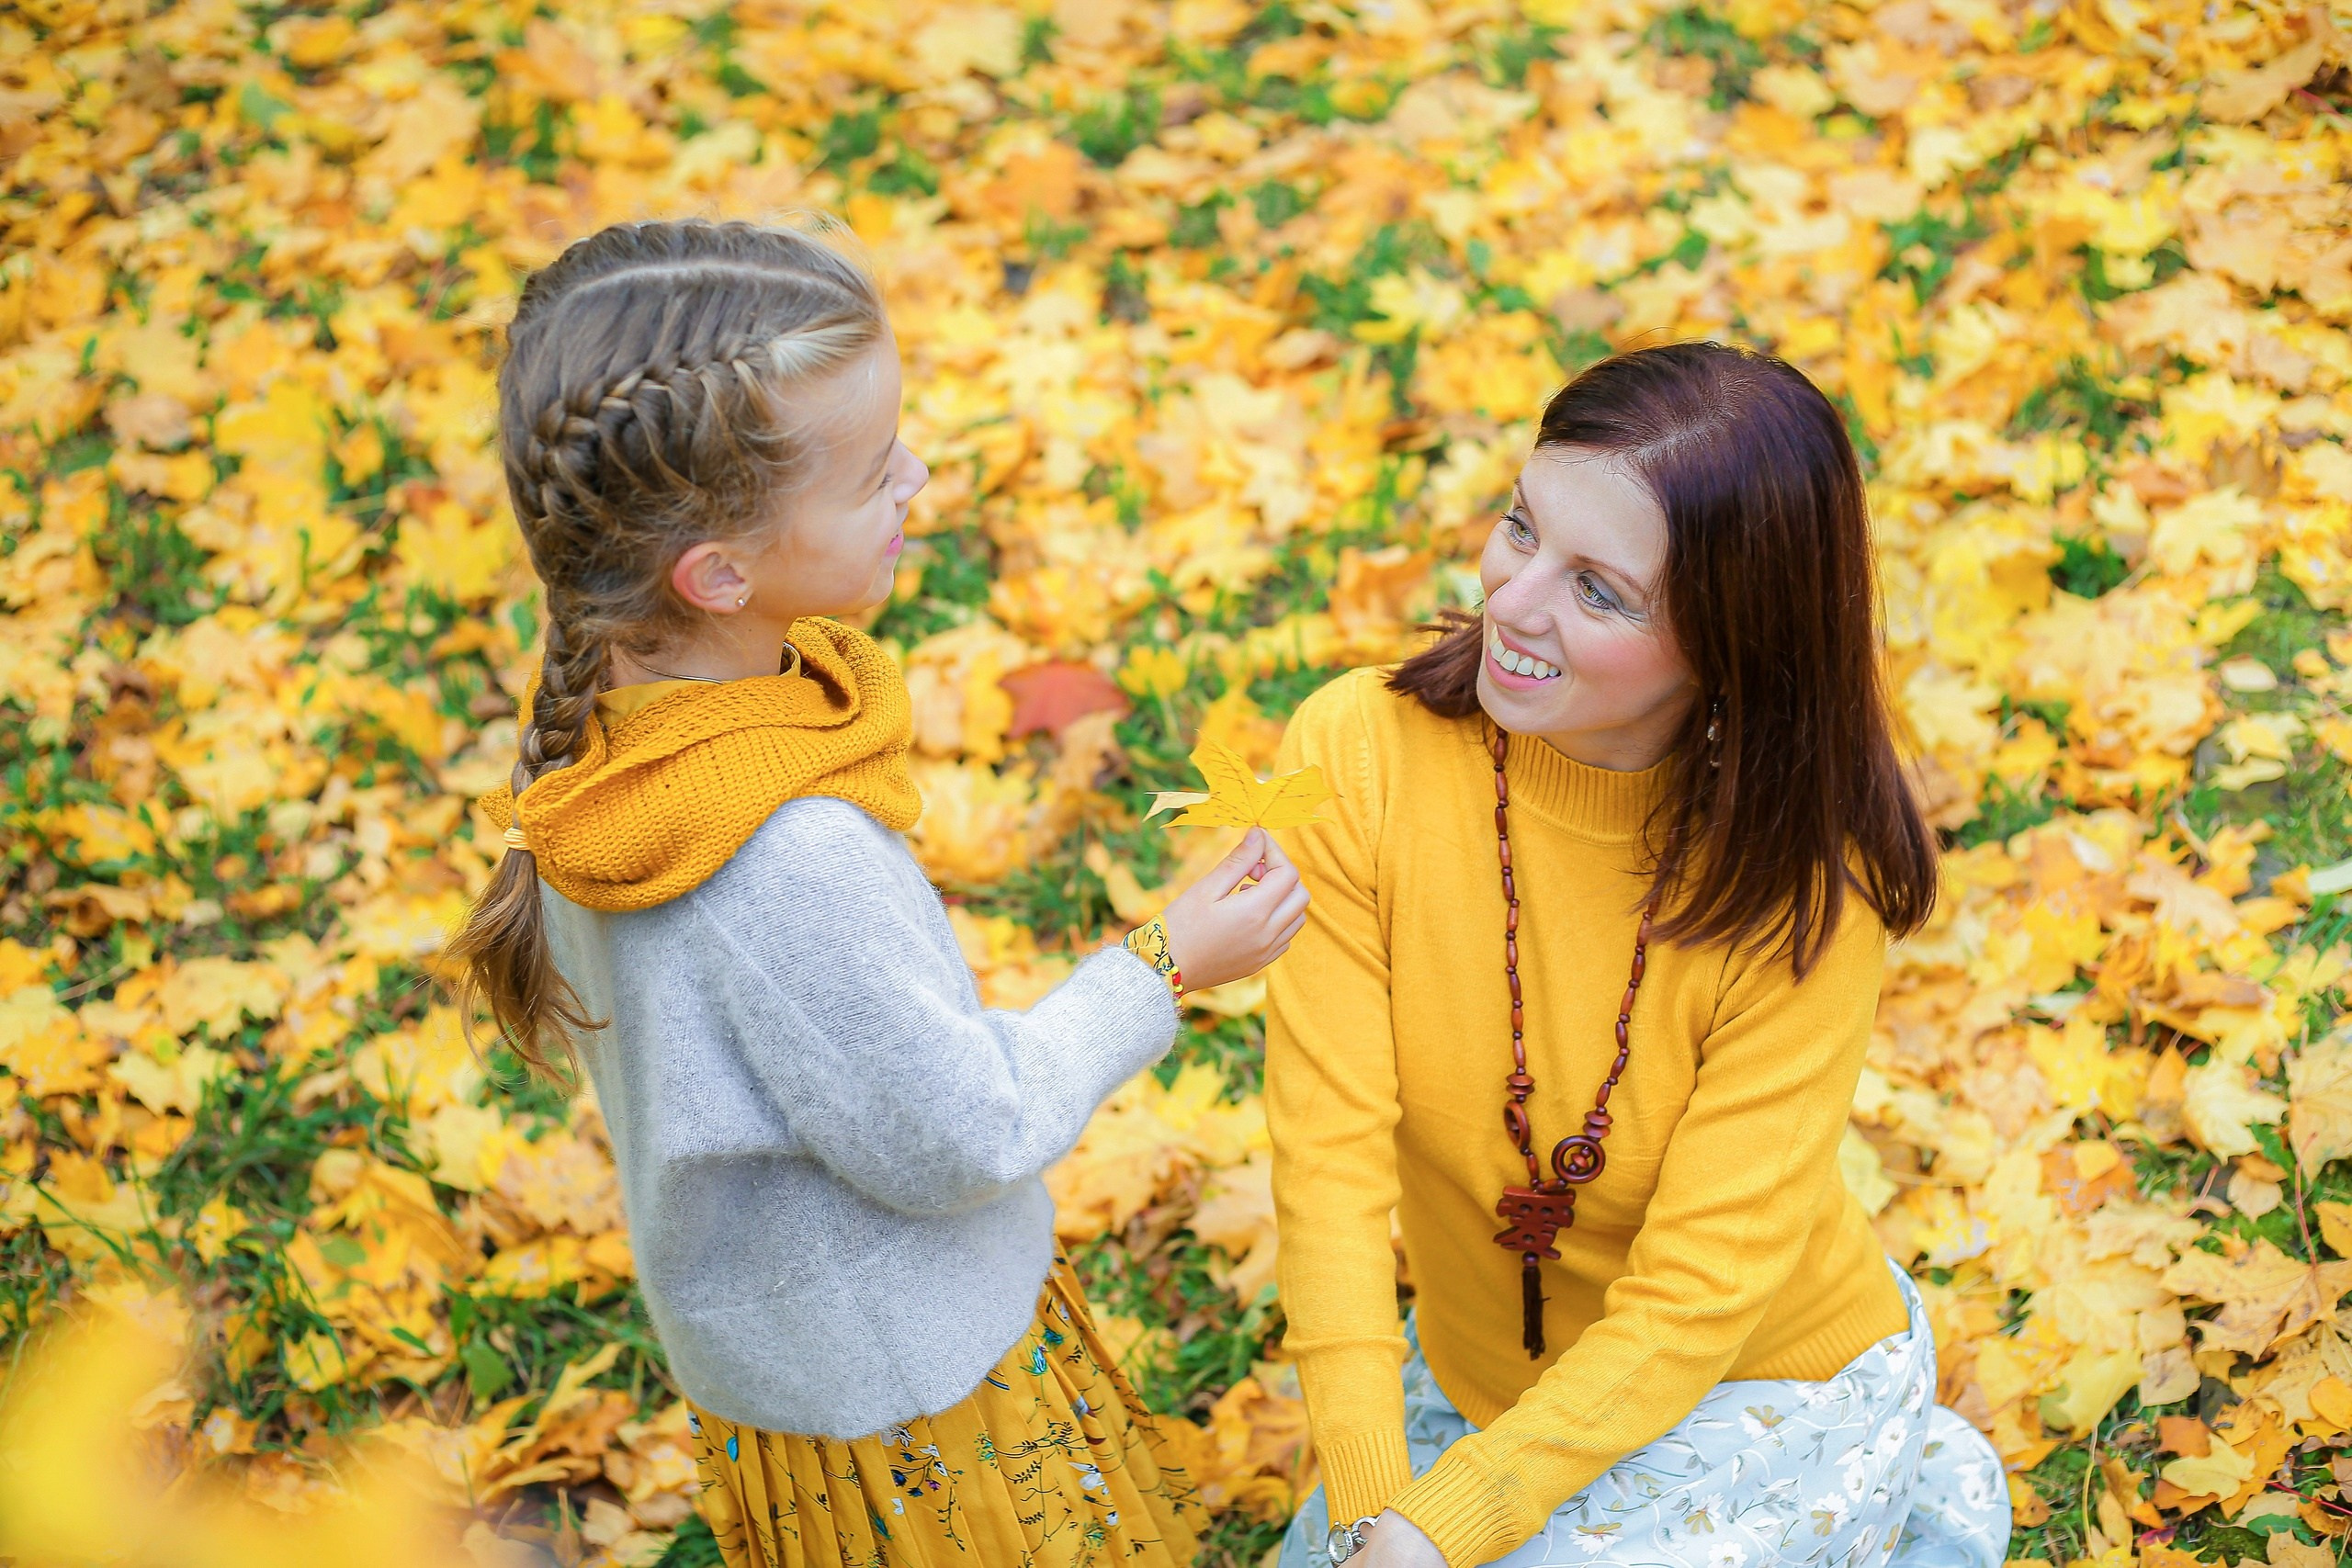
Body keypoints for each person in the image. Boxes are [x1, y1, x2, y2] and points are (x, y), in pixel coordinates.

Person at [447, 217, 1310, 1568]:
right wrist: (1165, 962)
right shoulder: (782, 853)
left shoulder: (612, 713)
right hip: (910, 1392)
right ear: (718, 572)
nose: (918, 475)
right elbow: (957, 1132)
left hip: (794, 1362)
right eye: (871, 470)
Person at [1265, 344, 2009, 1568]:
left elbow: (1695, 1302)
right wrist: (1365, 1504)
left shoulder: (1803, 893)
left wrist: (1443, 1530)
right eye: (1521, 527)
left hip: (1750, 1382)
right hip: (1484, 1390)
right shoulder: (1357, 757)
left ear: (1732, 645)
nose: (1510, 601)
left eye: (1598, 592)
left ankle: (1908, 1486)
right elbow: (1326, 1159)